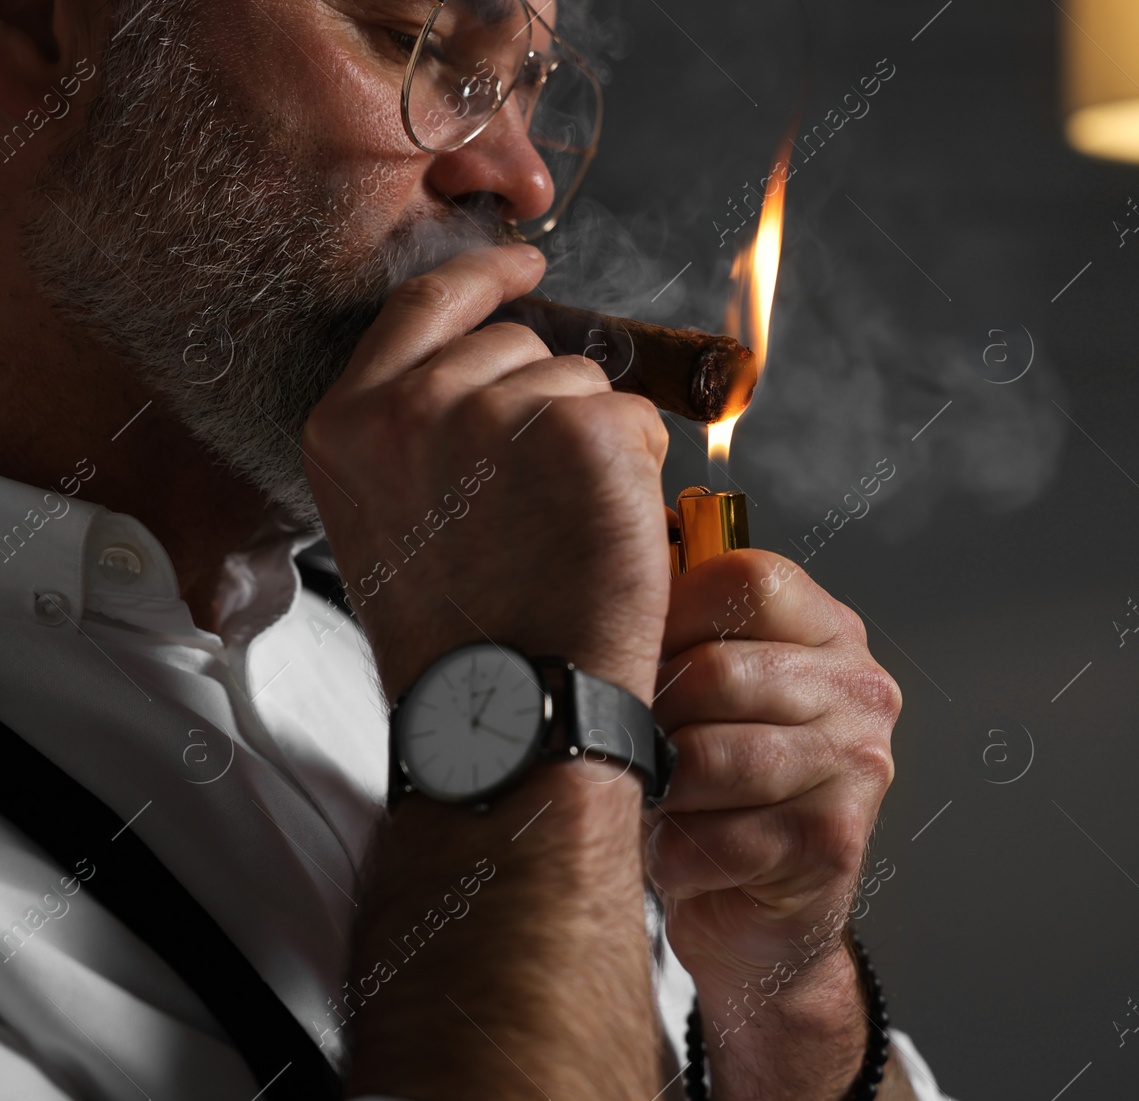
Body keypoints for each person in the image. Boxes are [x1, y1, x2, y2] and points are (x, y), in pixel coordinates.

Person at [0, 0, 955, 1098]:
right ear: (47, 32)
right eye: (414, 42)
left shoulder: (425, 640)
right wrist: (528, 716)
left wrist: (784, 1008)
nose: (521, 177)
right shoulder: (531, 686)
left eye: (530, 83)